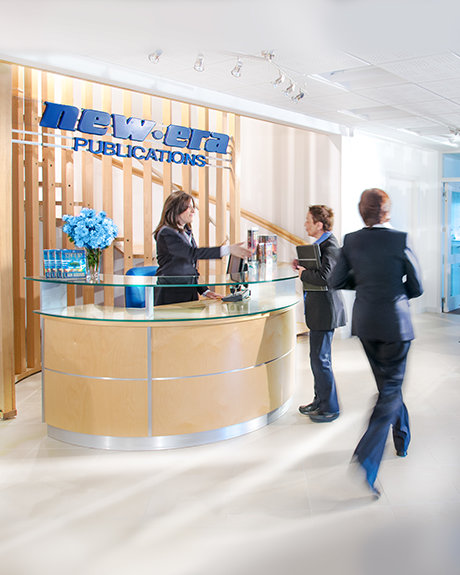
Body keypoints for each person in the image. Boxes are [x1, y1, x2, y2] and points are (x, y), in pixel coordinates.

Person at [329, 188, 423, 497]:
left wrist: (367, 284)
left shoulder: (352, 240)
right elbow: (417, 286)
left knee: (388, 387)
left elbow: (336, 280)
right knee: (391, 390)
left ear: (362, 212)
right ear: (387, 212)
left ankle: (402, 438)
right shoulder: (400, 239)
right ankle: (367, 458)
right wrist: (394, 292)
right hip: (396, 324)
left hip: (367, 324)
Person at [294, 205, 346, 423]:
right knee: (317, 358)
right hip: (318, 310)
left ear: (319, 224)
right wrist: (302, 267)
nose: (305, 224)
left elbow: (326, 277)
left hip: (325, 310)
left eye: (308, 221)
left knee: (321, 359)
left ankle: (330, 408)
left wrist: (304, 274)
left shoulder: (330, 245)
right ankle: (319, 401)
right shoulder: (319, 245)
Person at [153, 191, 250, 305]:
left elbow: (191, 268)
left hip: (188, 293)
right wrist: (228, 249)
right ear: (176, 209)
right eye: (189, 207)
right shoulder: (166, 232)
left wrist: (205, 291)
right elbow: (191, 253)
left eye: (193, 207)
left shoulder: (187, 232)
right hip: (171, 294)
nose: (193, 211)